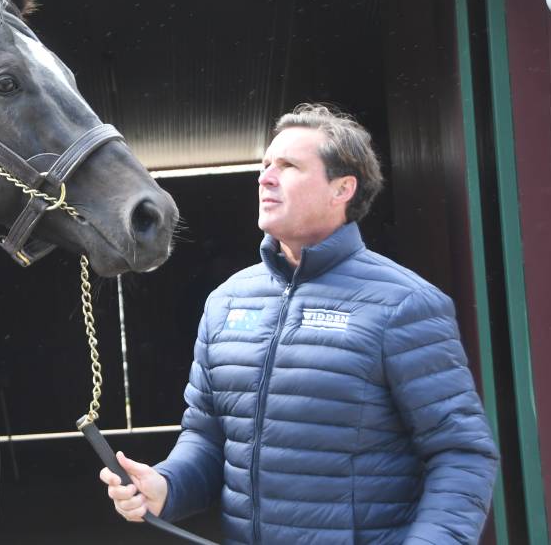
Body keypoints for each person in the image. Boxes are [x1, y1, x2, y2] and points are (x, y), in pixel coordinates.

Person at [99, 104, 498, 544]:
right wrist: (166, 485)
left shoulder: (404, 305)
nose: (265, 177)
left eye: (288, 166)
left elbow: (461, 454)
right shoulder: (227, 302)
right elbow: (208, 437)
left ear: (342, 188)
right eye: (266, 164)